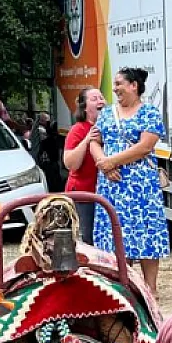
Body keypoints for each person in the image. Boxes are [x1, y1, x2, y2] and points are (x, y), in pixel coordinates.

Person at [92, 66, 169, 296]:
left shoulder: (149, 114)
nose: (115, 89)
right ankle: (122, 285)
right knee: (116, 235)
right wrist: (104, 164)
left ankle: (149, 288)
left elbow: (145, 146)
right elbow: (94, 141)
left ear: (133, 86)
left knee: (146, 234)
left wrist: (112, 161)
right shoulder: (106, 113)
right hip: (112, 185)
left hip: (141, 187)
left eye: (119, 84)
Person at [61, 86, 104, 243]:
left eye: (101, 98)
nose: (100, 101)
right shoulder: (77, 130)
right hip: (84, 194)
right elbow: (70, 164)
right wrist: (87, 140)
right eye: (94, 99)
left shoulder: (111, 128)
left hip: (106, 192)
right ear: (85, 108)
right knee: (89, 238)